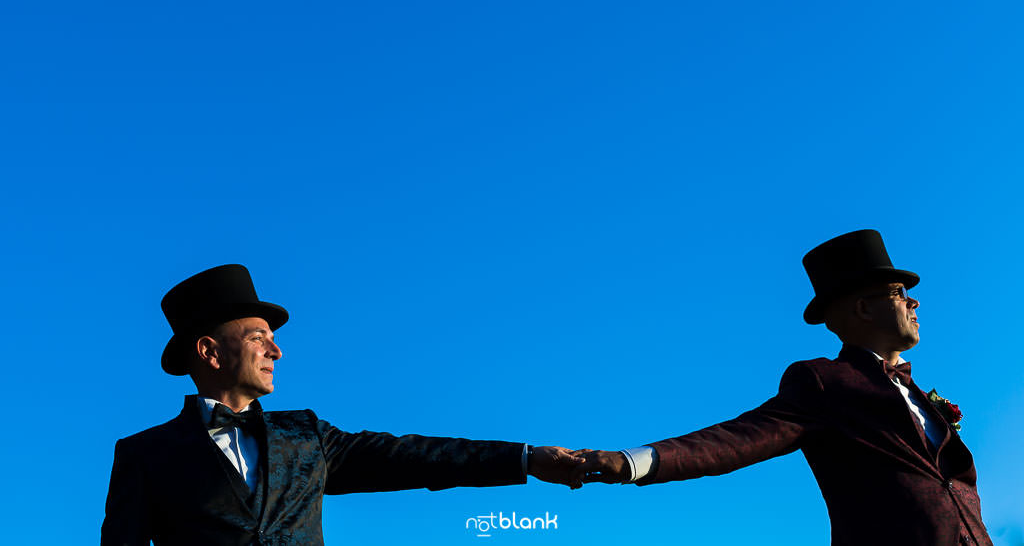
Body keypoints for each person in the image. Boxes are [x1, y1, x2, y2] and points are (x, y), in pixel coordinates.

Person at [101, 264, 581, 546]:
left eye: (274, 339)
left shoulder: (305, 436)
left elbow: (413, 457)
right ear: (209, 352)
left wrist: (528, 458)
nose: (276, 351)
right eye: (258, 338)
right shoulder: (145, 455)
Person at [571, 230, 992, 546]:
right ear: (863, 307)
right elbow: (736, 440)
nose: (914, 302)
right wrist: (629, 461)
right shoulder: (824, 381)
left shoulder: (924, 400)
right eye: (900, 293)